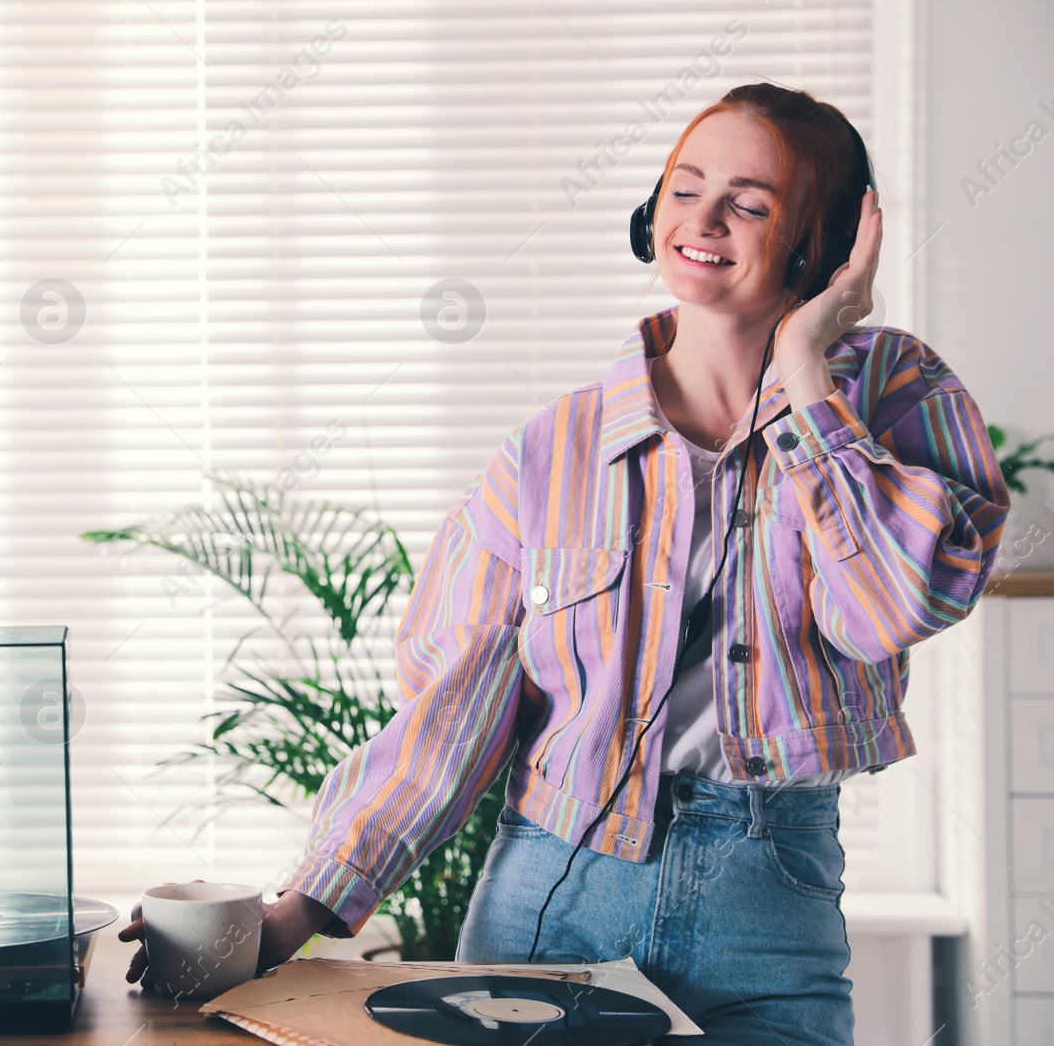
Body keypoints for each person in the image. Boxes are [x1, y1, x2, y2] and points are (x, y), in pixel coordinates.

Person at [120, 83, 1009, 1045]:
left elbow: (894, 603)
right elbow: (454, 712)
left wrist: (805, 375)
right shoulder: (556, 450)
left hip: (773, 908)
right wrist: (306, 906)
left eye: (749, 203)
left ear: (828, 246)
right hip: (551, 902)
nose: (702, 220)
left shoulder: (894, 397)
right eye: (683, 188)